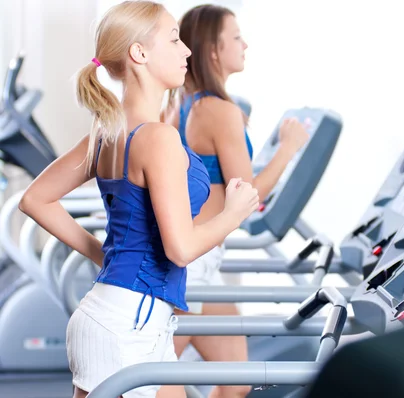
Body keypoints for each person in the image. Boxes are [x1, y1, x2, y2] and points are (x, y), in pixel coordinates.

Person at [18, 1, 258, 397]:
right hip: (128, 324)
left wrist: (104, 255)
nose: (186, 52)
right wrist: (233, 214)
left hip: (127, 316)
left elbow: (35, 199)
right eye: (174, 39)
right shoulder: (157, 138)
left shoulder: (107, 132)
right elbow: (180, 250)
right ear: (139, 53)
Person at [161, 4, 309, 397]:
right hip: (190, 267)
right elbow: (249, 194)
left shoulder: (180, 105)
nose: (246, 44)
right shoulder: (220, 111)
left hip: (198, 260)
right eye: (237, 37)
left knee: (238, 379)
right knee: (151, 382)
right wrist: (288, 148)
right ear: (213, 49)